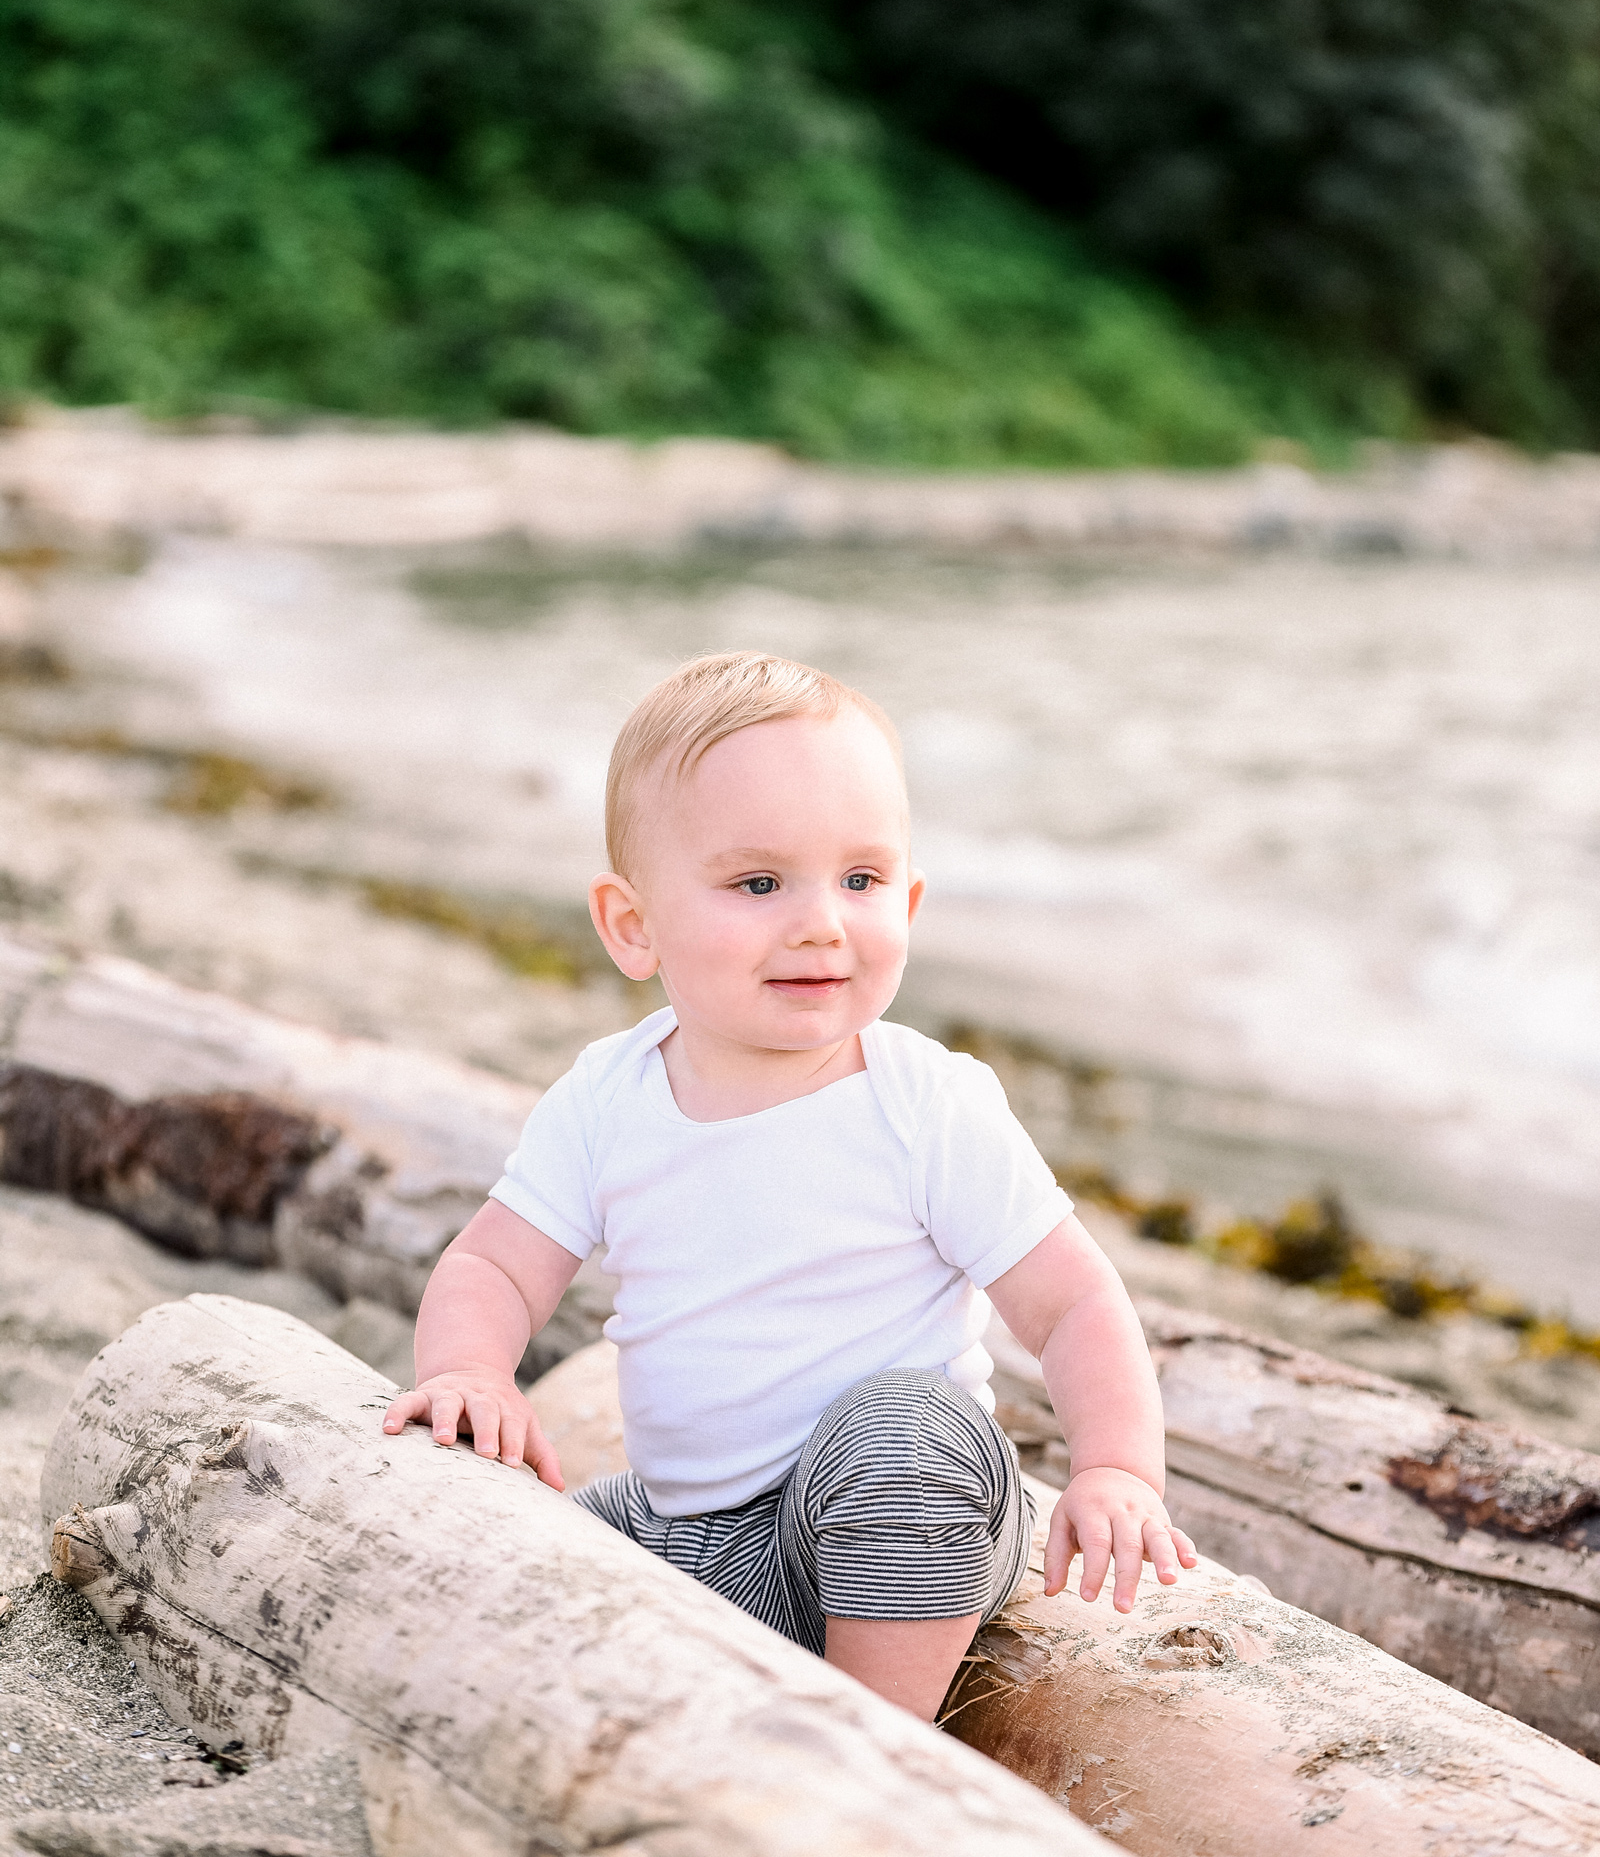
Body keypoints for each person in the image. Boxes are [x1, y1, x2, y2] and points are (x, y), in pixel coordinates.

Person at [383, 650, 1197, 1719]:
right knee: (506, 1558)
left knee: (901, 1430)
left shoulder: (924, 1101)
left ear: (907, 898)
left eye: (860, 880)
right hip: (694, 1530)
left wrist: (1119, 1468)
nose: (821, 921)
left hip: (899, 1525)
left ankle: (875, 1738)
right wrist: (473, 1371)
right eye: (759, 882)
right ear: (634, 924)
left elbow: (1074, 1300)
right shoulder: (607, 1097)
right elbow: (495, 1261)